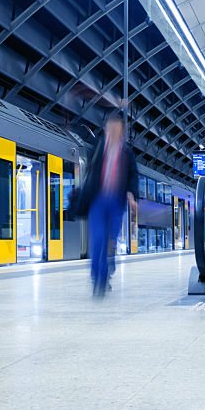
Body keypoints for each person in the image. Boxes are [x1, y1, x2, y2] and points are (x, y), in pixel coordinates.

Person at [75, 110, 138, 296]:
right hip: (98, 200)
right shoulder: (97, 147)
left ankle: (106, 273)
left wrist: (132, 196)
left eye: (116, 128)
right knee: (98, 239)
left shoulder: (127, 153)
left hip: (116, 203)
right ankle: (98, 279)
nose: (112, 131)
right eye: (110, 127)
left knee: (110, 241)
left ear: (122, 131)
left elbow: (133, 176)